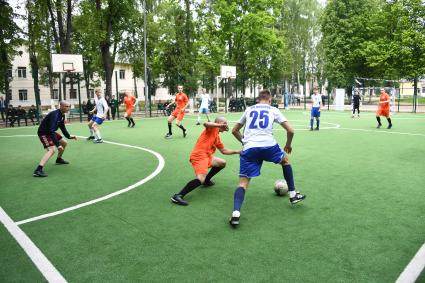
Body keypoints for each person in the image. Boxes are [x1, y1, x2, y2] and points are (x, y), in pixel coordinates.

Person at [229, 89, 306, 227]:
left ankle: (235, 213)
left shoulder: (249, 110)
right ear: (270, 100)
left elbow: (234, 130)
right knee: (285, 161)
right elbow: (291, 130)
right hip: (268, 146)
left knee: (243, 183)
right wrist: (288, 145)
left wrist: (244, 142)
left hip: (250, 148)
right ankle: (293, 194)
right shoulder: (273, 110)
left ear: (258, 99)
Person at [171, 117, 240, 205]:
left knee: (222, 163)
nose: (226, 124)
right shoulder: (212, 129)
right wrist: (220, 125)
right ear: (218, 123)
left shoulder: (217, 136)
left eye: (226, 123)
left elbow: (224, 151)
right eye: (224, 123)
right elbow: (206, 124)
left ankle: (207, 181)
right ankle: (178, 196)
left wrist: (238, 151)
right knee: (200, 179)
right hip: (199, 156)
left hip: (207, 156)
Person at [33, 101, 77, 177]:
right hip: (44, 133)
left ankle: (59, 159)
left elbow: (62, 127)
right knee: (52, 150)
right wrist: (57, 145)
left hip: (50, 131)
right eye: (66, 106)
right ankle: (38, 170)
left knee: (64, 143)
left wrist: (69, 136)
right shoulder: (55, 115)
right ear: (61, 106)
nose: (68, 108)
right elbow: (50, 130)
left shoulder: (62, 115)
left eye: (69, 106)